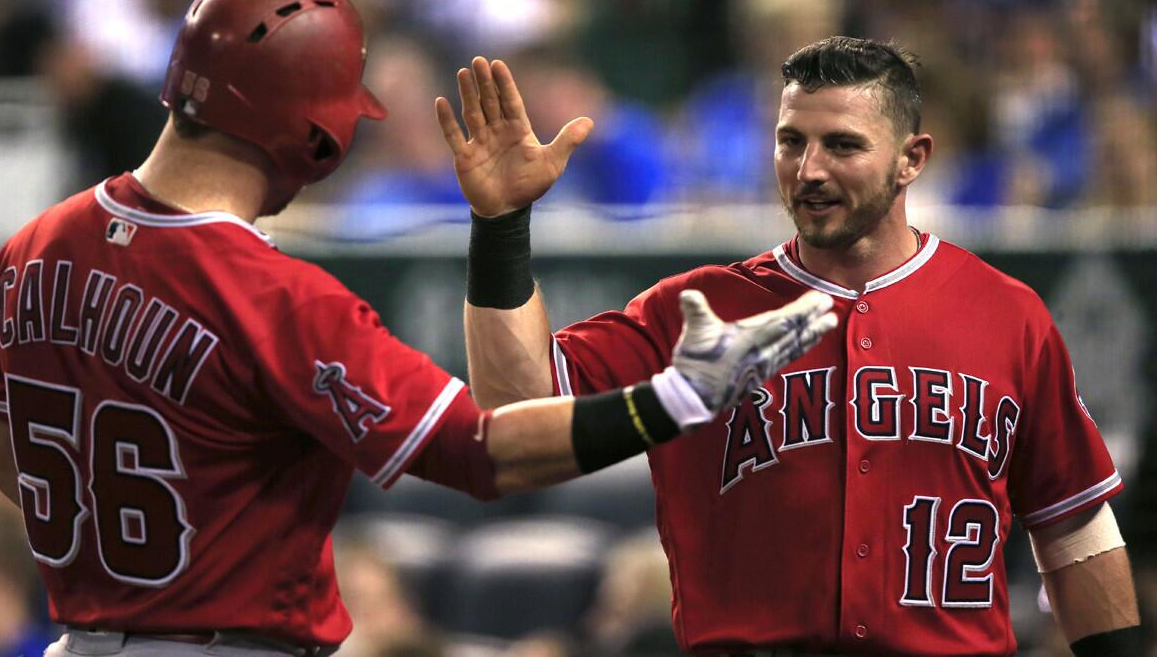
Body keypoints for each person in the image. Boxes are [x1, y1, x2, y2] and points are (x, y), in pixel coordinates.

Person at [0, 0, 838, 657]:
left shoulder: (35, 245)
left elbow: (5, 469)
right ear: (314, 132)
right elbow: (484, 455)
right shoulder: (274, 294)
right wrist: (678, 399)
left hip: (73, 639)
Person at [438, 38, 1142, 656]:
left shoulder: (1007, 314)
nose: (807, 170)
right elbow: (515, 405)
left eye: (842, 145)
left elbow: (1074, 527)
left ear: (911, 159)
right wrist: (500, 227)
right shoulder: (699, 309)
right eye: (789, 142)